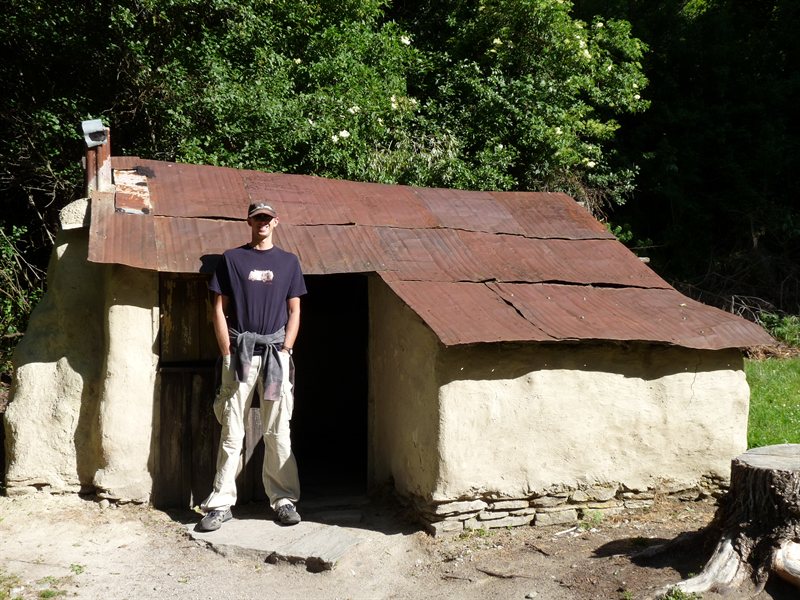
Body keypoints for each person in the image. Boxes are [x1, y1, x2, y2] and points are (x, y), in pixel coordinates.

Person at [198, 201, 307, 531]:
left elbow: (295, 310)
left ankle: (283, 499)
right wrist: (227, 349)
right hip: (241, 354)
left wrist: (286, 348)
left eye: (267, 218)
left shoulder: (289, 262)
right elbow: (219, 307)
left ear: (276, 221)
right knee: (232, 428)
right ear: (249, 221)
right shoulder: (233, 259)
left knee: (278, 428)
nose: (262, 223)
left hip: (276, 355)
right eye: (256, 217)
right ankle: (220, 504)